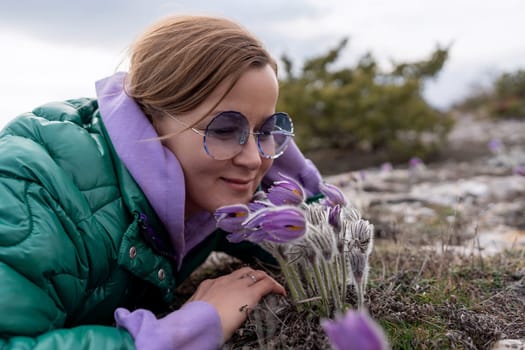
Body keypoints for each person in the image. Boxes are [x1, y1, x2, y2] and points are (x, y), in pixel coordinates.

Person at [0, 15, 322, 349]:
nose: (254, 159)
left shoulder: (209, 189)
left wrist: (298, 183)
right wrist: (185, 331)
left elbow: (315, 245)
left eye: (268, 130)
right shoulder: (36, 197)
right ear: (151, 118)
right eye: (225, 129)